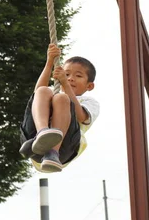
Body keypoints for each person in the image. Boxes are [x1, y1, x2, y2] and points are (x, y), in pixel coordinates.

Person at [19, 44, 100, 173]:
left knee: (62, 99)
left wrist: (66, 85)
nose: (70, 78)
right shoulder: (52, 93)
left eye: (78, 76)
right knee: (43, 91)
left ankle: (53, 151)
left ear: (89, 86)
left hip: (64, 148)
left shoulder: (89, 102)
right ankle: (42, 133)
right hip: (33, 142)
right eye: (66, 74)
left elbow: (81, 117)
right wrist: (49, 62)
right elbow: (36, 93)